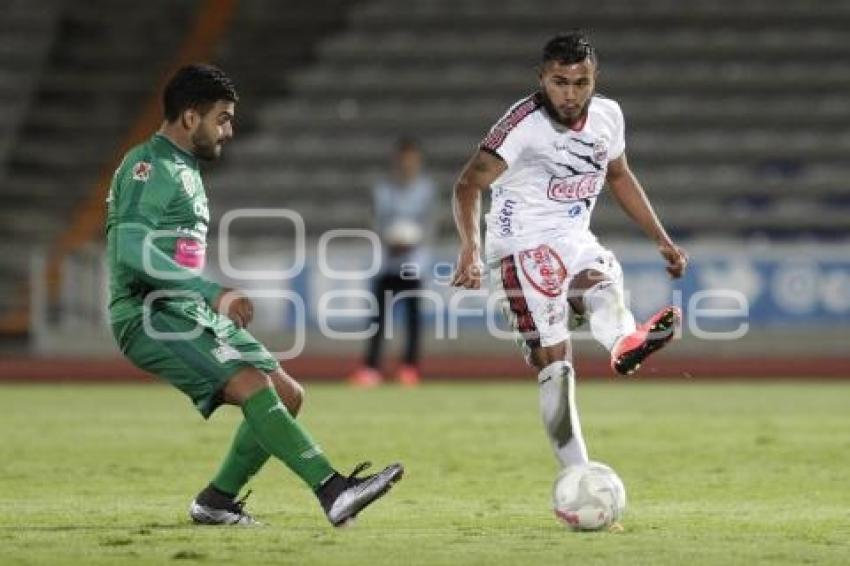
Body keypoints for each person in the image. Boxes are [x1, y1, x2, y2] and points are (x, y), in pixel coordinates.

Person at [106, 64, 403, 526]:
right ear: (190, 118)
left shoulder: (181, 167)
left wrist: (202, 296)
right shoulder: (151, 166)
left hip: (184, 308)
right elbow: (129, 250)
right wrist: (210, 289)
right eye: (221, 117)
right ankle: (332, 489)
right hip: (150, 312)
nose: (229, 129)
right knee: (251, 384)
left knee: (287, 395)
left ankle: (217, 501)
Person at [450, 32, 688, 469]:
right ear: (542, 78)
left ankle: (623, 343)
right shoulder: (521, 125)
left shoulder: (608, 117)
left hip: (575, 239)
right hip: (520, 248)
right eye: (560, 82)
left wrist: (661, 237)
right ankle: (578, 474)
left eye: (581, 83)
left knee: (600, 285)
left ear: (595, 79)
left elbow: (619, 175)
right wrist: (470, 249)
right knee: (556, 363)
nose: (570, 94)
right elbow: (469, 184)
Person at [349, 138, 436, 387]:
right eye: (403, 159)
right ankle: (371, 368)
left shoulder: (426, 189)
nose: (407, 164)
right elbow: (373, 220)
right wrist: (387, 238)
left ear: (417, 161)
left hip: (414, 263)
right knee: (378, 318)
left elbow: (430, 224)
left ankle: (409, 367)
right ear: (396, 161)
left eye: (412, 159)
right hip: (385, 261)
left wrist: (415, 240)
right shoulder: (382, 189)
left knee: (412, 318)